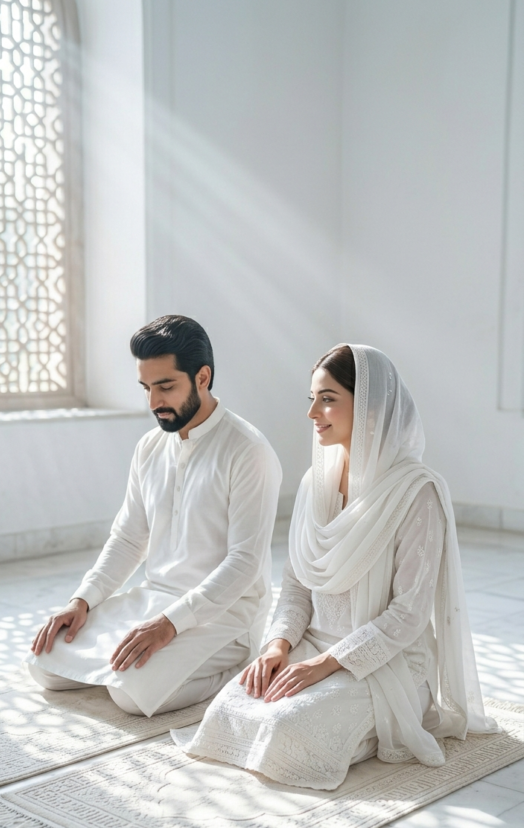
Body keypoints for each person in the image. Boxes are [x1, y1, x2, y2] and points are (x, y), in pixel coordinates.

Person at [173, 344, 497, 788]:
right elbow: (296, 584)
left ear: (368, 405)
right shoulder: (315, 482)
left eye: (327, 398)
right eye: (311, 398)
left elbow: (408, 615)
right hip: (312, 647)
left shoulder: (417, 492)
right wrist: (278, 647)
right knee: (230, 707)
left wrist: (325, 664)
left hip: (386, 662)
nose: (312, 413)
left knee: (288, 727)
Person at [26, 315, 282, 717]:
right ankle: (152, 661)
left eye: (165, 387)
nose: (153, 403)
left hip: (224, 616)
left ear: (202, 377)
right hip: (153, 601)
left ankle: (235, 668)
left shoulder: (248, 450)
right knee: (47, 662)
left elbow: (244, 563)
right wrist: (83, 600)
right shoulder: (149, 447)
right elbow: (129, 538)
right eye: (146, 388)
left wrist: (170, 624)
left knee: (128, 696)